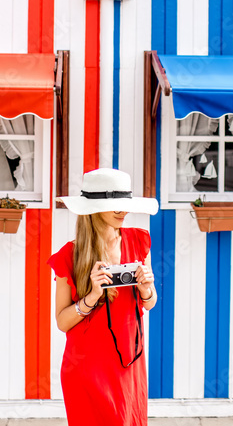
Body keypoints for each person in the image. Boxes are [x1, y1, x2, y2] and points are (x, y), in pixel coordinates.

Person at [48, 168, 160, 426]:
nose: (123, 211)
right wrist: (92, 296)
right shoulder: (69, 256)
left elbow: (150, 303)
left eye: (125, 204)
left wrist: (145, 288)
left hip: (128, 359)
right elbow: (62, 322)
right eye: (115, 205)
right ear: (95, 208)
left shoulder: (139, 241)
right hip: (87, 367)